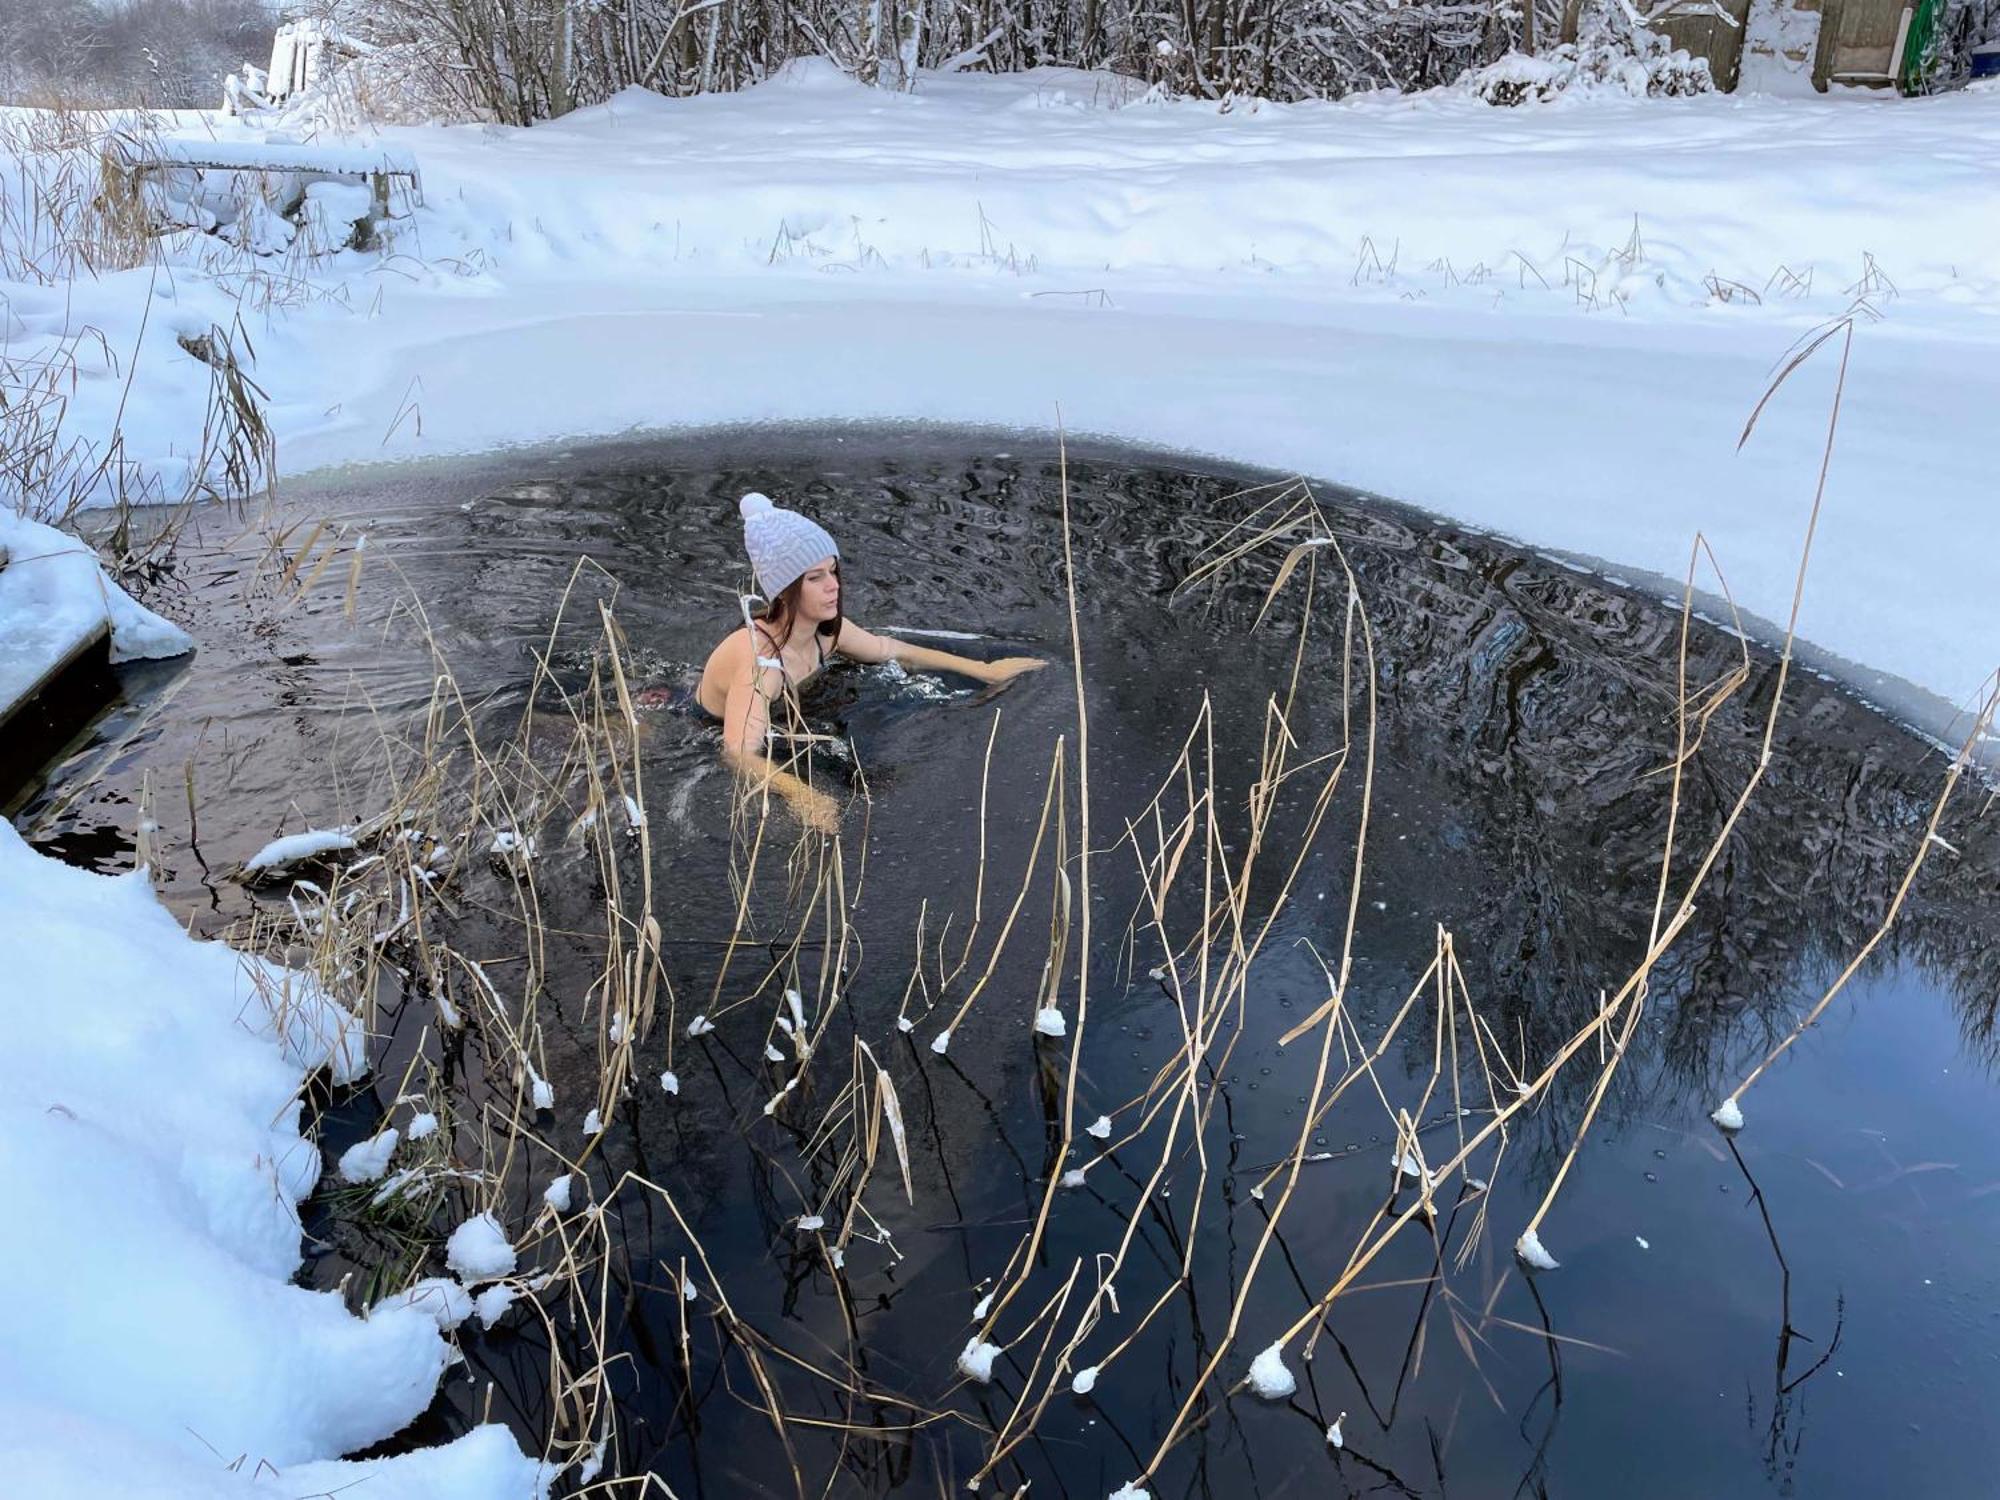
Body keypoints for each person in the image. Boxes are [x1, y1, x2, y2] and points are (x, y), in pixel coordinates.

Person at [695, 492, 1044, 832]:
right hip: (701, 725)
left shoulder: (826, 633)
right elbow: (739, 754)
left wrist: (983, 671)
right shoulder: (760, 664)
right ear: (784, 590)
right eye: (815, 578)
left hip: (789, 711)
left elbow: (889, 648)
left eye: (833, 572)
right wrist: (802, 796)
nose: (833, 586)